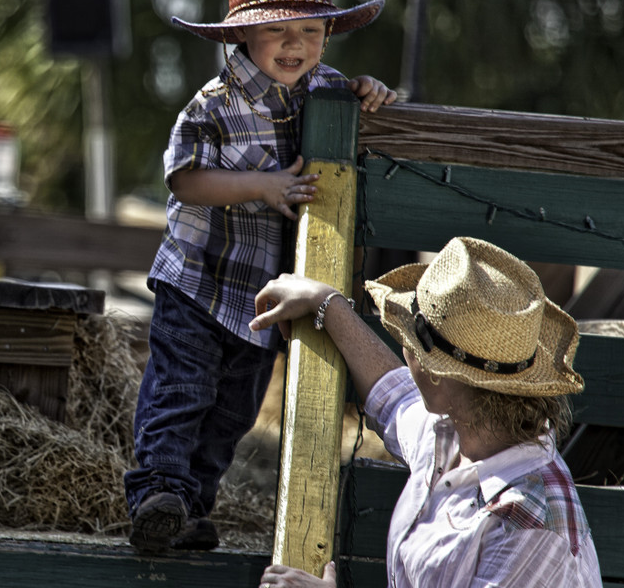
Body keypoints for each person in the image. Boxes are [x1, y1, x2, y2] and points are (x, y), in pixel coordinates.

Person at [125, 0, 398, 553]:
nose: (295, 44)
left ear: (328, 35)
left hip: (261, 298)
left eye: (311, 31)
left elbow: (362, 99)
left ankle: (190, 511)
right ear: (243, 34)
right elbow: (186, 180)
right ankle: (157, 492)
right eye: (277, 30)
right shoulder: (213, 104)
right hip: (199, 280)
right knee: (181, 390)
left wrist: (369, 91)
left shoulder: (328, 90)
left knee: (232, 412)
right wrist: (262, 185)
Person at [250, 236, 602, 587]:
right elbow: (395, 397)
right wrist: (326, 303)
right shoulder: (462, 432)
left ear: (435, 374)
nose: (404, 347)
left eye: (408, 338)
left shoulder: (529, 527)